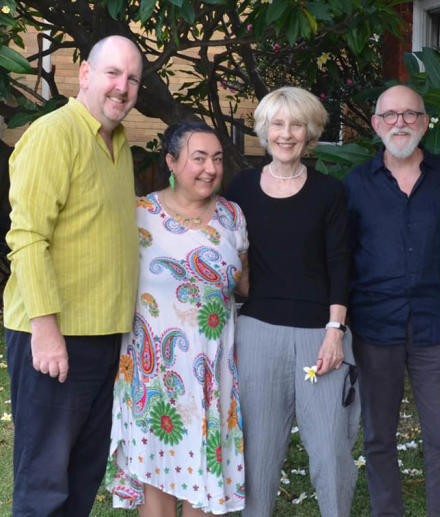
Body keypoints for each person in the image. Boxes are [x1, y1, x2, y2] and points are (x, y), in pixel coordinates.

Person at [3, 35, 142, 516]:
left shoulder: (119, 145)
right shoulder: (53, 134)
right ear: (84, 73)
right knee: (44, 485)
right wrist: (46, 332)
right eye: (112, 73)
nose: (121, 87)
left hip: (103, 339)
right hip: (55, 337)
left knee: (82, 476)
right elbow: (27, 238)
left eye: (132, 79)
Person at [224, 86, 360, 517]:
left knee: (330, 451)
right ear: (264, 130)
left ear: (311, 132)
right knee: (258, 454)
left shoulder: (329, 193)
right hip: (258, 334)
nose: (286, 134)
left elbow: (341, 265)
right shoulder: (241, 188)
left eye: (296, 124)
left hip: (320, 338)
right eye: (277, 124)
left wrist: (335, 332)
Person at [344, 84, 440, 516]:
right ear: (377, 124)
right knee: (379, 437)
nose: (401, 122)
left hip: (434, 325)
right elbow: (341, 257)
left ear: (424, 122)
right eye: (391, 115)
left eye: (410, 114)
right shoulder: (357, 184)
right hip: (374, 326)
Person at [105, 123, 247, 515]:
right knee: (159, 483)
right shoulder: (139, 214)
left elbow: (245, 283)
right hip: (155, 378)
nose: (210, 168)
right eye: (198, 157)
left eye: (217, 158)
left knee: (204, 481)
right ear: (171, 161)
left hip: (212, 376)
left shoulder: (233, 217)